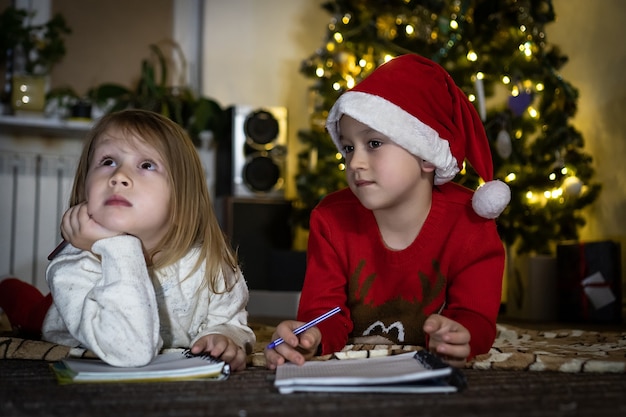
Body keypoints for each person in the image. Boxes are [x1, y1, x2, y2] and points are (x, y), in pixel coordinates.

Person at [265, 54, 510, 370]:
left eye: (375, 143)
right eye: (349, 148)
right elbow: (324, 313)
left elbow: (476, 317)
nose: (354, 163)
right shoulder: (330, 219)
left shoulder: (470, 223)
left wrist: (461, 335)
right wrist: (311, 335)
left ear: (426, 155)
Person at [0, 109, 255, 369]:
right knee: (29, 311)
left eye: (146, 165)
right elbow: (130, 351)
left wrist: (225, 336)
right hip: (58, 313)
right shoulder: (75, 265)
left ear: (182, 203)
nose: (118, 176)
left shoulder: (210, 265)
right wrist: (117, 246)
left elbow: (233, 323)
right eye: (108, 161)